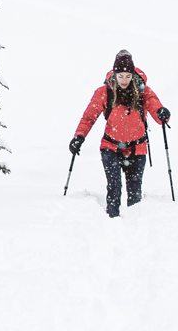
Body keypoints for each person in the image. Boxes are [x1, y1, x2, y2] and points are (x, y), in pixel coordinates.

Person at [72, 50, 171, 218]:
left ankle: (133, 228)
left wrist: (163, 114)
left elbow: (155, 107)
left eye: (127, 76)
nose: (124, 80)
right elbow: (89, 117)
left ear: (132, 75)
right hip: (111, 147)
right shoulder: (104, 92)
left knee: (134, 193)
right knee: (114, 187)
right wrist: (79, 137)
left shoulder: (143, 91)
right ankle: (112, 221)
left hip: (137, 149)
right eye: (121, 76)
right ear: (115, 74)